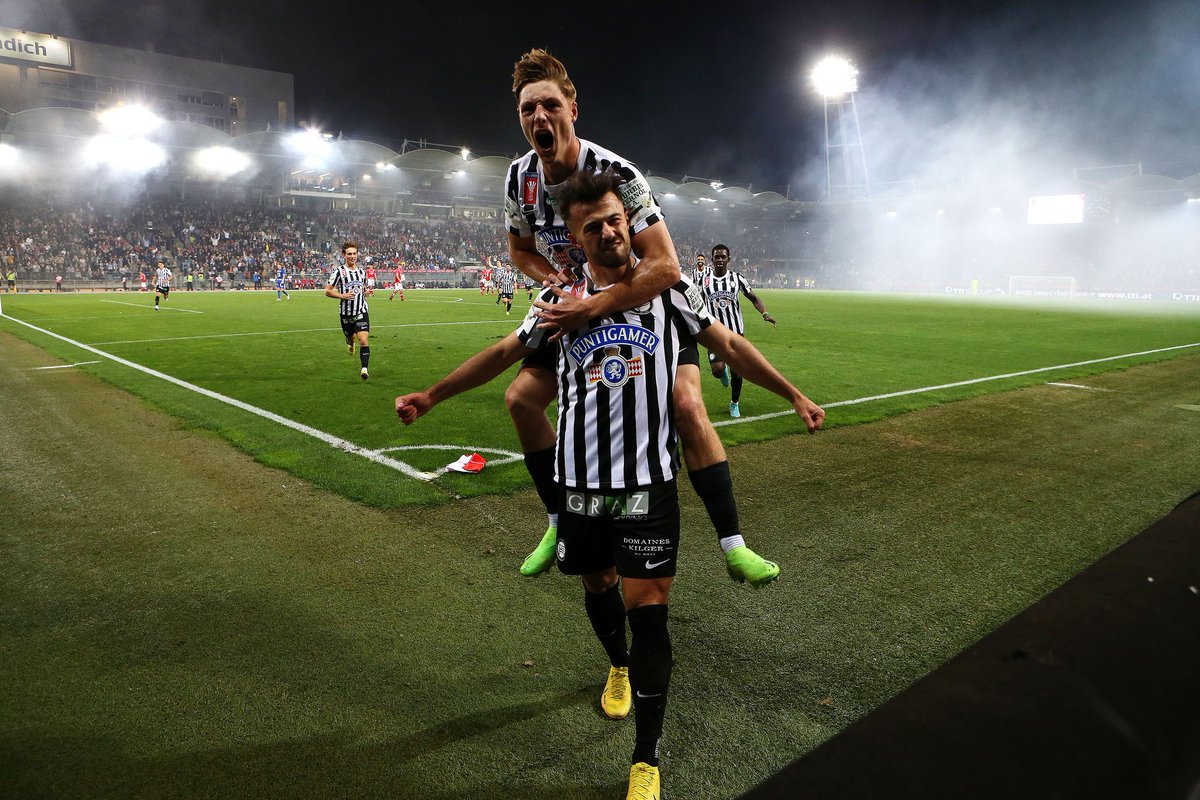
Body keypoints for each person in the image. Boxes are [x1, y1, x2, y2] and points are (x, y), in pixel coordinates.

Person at [395, 169, 825, 800]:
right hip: (581, 490)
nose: (606, 231)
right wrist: (432, 395)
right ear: (574, 237)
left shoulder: (670, 293)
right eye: (590, 225)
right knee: (598, 588)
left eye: (614, 220)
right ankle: (615, 667)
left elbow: (729, 344)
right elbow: (501, 355)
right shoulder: (558, 304)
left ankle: (645, 759)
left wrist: (793, 394)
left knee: (650, 612)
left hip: (649, 488)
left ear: (630, 223)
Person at [503, 48, 781, 586]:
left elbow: (666, 265)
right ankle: (559, 521)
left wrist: (595, 302)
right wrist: (555, 283)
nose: (539, 118)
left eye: (549, 106)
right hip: (576, 307)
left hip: (643, 304)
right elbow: (519, 249)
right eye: (528, 109)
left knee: (686, 404)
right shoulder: (519, 180)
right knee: (520, 399)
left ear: (572, 109)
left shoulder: (617, 172)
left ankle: (734, 543)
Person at [703, 244, 777, 418]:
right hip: (714, 334)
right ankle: (723, 372)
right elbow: (695, 301)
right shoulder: (704, 280)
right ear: (712, 259)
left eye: (723, 257)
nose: (720, 259)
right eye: (717, 257)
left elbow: (754, 298)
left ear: (728, 259)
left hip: (736, 334)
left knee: (739, 370)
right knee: (717, 371)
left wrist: (764, 313)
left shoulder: (737, 279)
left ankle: (734, 403)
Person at [325, 241, 371, 381]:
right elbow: (327, 291)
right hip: (346, 314)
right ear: (344, 255)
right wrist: (342, 296)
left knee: (363, 340)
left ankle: (364, 369)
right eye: (349, 254)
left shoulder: (362, 272)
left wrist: (366, 292)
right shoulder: (339, 272)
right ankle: (350, 343)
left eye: (354, 254)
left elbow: (361, 289)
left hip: (361, 311)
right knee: (351, 339)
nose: (352, 256)